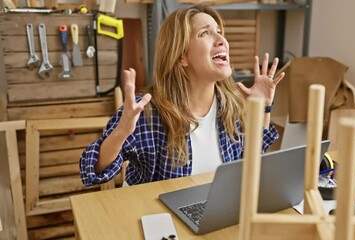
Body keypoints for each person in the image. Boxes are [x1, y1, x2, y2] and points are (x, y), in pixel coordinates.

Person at [80, 4, 285, 187]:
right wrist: (121, 132)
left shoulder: (232, 105)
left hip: (208, 213)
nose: (222, 40)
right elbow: (93, 171)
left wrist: (263, 107)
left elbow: (251, 160)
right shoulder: (147, 112)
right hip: (154, 217)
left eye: (220, 32)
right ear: (181, 57)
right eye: (205, 33)